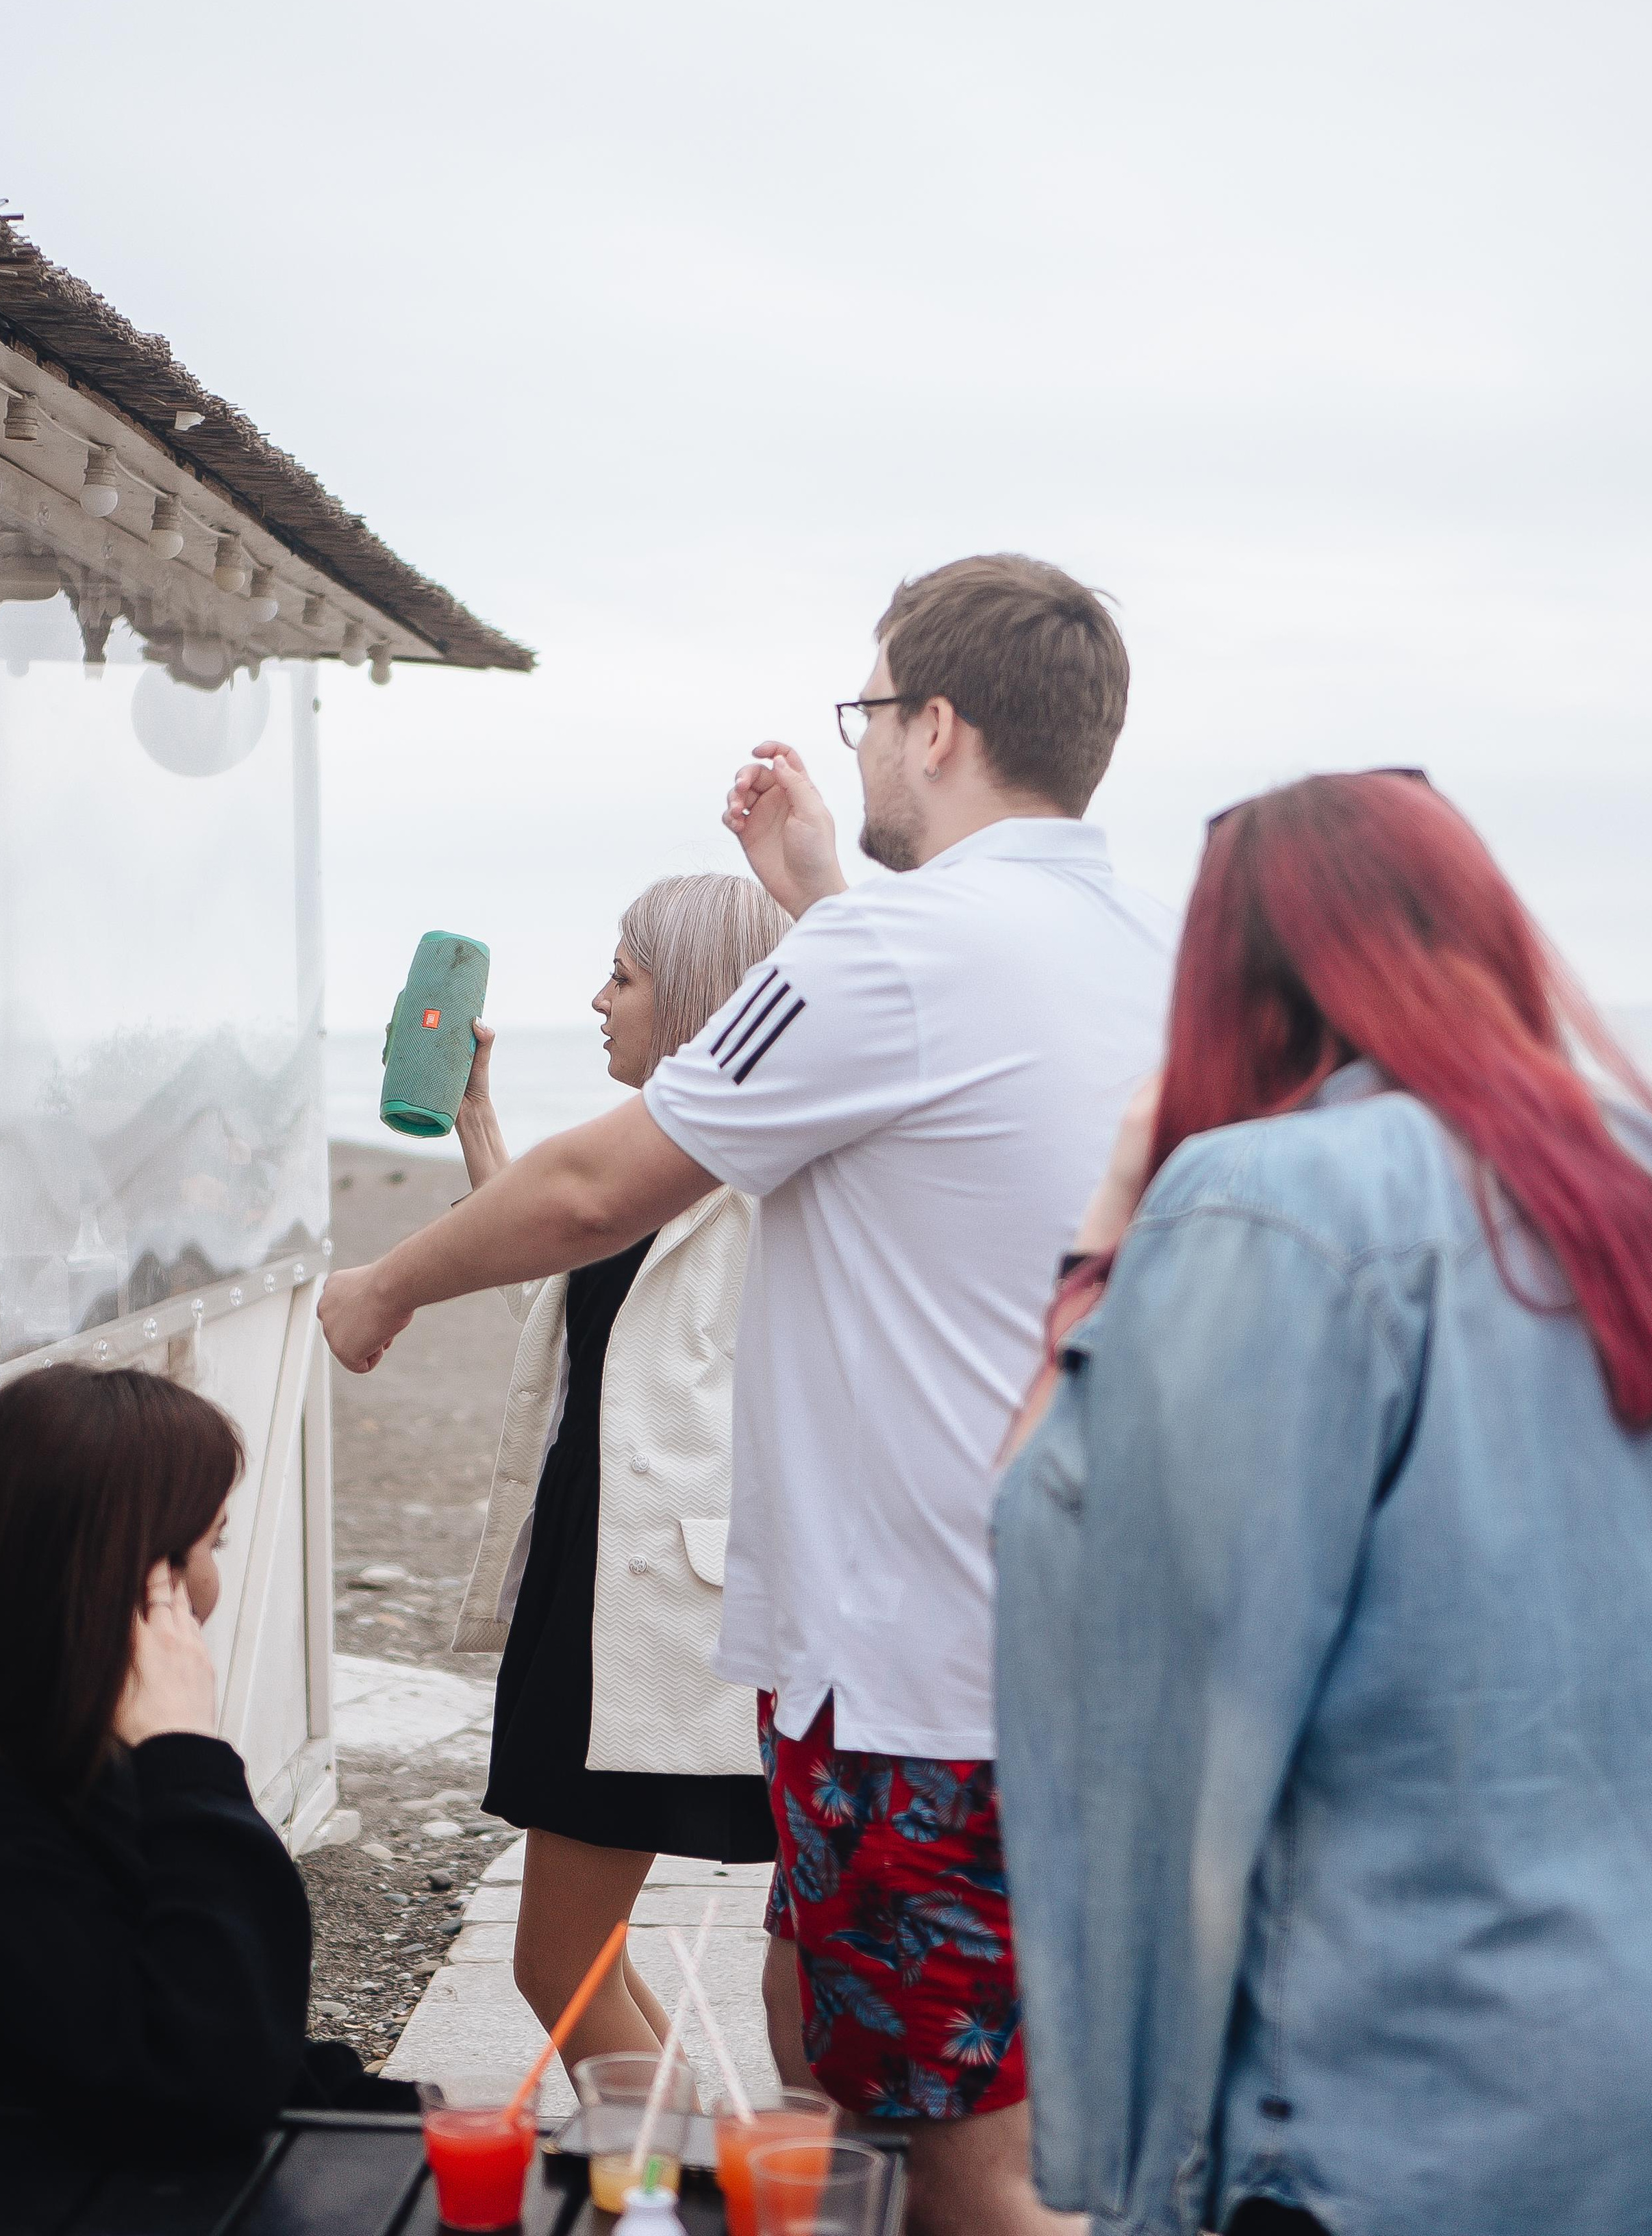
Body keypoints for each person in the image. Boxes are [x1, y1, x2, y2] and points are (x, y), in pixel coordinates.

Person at [320, 553, 1175, 2236]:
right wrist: (814, 890)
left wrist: (385, 1283)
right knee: (869, 2082)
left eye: (866, 713)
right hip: (1097, 1656)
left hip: (922, 1678)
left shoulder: (901, 954)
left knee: (965, 2168)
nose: (853, 750)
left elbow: (590, 1188)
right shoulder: (1140, 951)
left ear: (933, 724)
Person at [993, 770, 1652, 2236]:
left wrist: (1111, 1216)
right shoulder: (1646, 1178)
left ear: (1231, 979)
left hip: (1392, 2092)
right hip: (1646, 2065)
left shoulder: (1264, 1206)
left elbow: (1095, 1597)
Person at [446, 874, 788, 2067]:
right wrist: (479, 1126)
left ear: (693, 998)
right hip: (593, 1590)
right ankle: (686, 2168)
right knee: (590, 1958)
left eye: (625, 976)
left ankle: (662, 2192)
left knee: (556, 1963)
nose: (598, 1000)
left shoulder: (752, 1183)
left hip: (648, 1607)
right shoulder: (655, 1169)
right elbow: (560, 1261)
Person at [0, 1363, 407, 2140]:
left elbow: (261, 2034)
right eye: (210, 1543)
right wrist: (190, 1759)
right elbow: (207, 2073)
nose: (210, 1585)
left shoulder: (58, 1748)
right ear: (148, 1578)